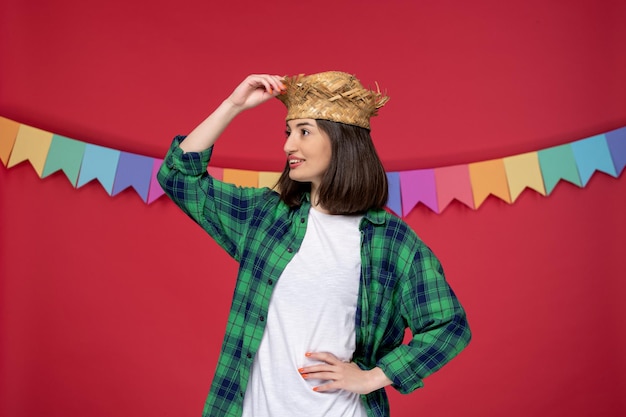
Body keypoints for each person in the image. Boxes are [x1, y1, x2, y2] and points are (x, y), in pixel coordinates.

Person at [158, 71, 471, 417]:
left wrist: (374, 378)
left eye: (304, 131)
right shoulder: (266, 219)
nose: (288, 145)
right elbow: (178, 176)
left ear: (342, 141)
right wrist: (233, 105)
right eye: (288, 132)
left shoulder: (391, 242)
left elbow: (448, 325)